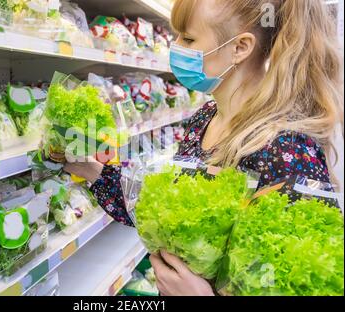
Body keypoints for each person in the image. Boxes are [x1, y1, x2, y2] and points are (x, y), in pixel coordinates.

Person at [64, 0, 343, 296]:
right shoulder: (204, 118)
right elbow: (168, 217)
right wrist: (88, 167)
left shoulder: (286, 148)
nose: (175, 46)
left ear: (240, 47)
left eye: (188, 38)